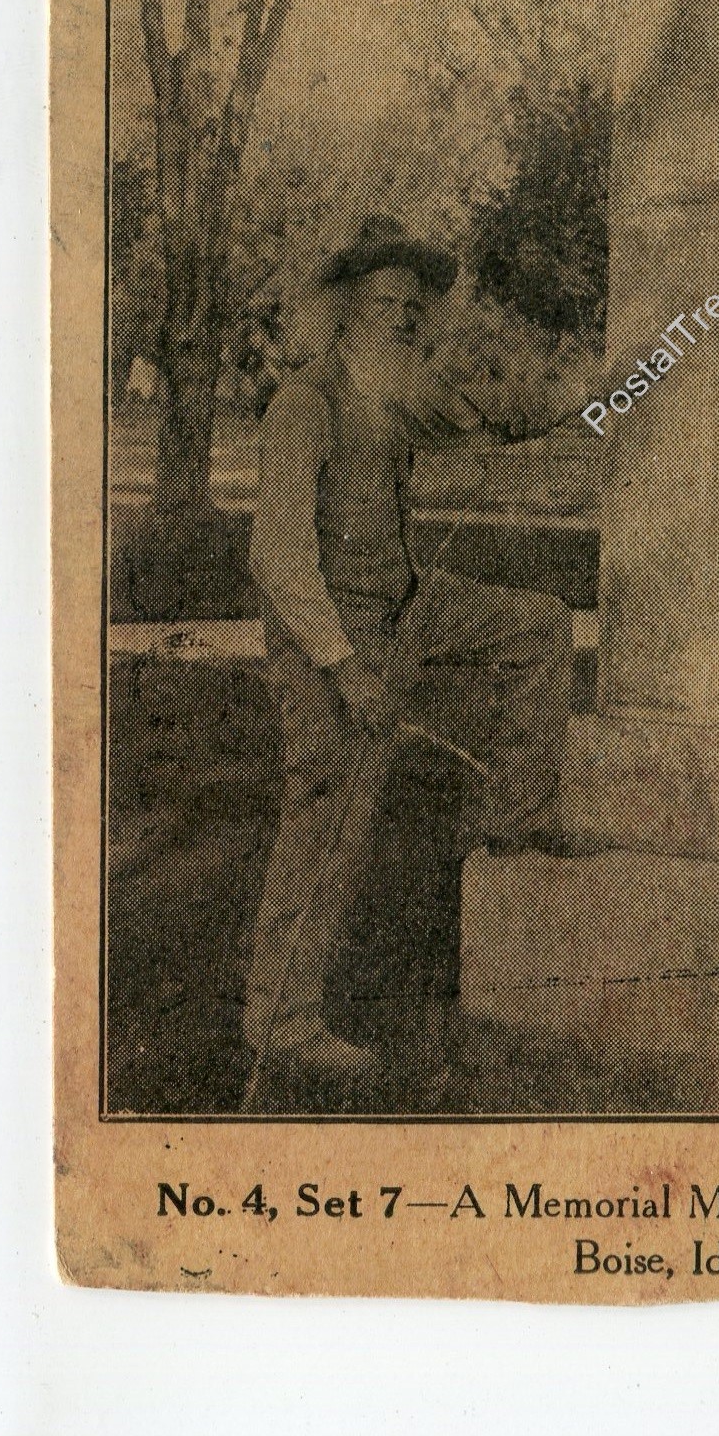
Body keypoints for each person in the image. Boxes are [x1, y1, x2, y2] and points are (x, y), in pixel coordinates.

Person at [241, 216, 579, 1092]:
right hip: (329, 630)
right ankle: (281, 1021)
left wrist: (595, 393)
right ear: (347, 310)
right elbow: (278, 557)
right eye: (386, 301)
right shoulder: (303, 404)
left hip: (409, 603)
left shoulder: (397, 398)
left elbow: (491, 427)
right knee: (331, 819)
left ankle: (518, 818)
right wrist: (345, 667)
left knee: (540, 626)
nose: (403, 317)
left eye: (414, 306)